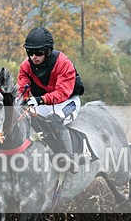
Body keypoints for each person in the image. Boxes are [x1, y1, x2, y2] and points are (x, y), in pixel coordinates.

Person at [18, 26, 84, 172]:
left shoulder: (63, 63)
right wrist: (23, 99)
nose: (34, 56)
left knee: (54, 119)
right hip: (44, 100)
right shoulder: (25, 66)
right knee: (27, 119)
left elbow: (61, 93)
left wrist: (40, 100)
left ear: (48, 51)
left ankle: (68, 157)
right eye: (30, 52)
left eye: (38, 52)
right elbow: (23, 89)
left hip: (67, 101)